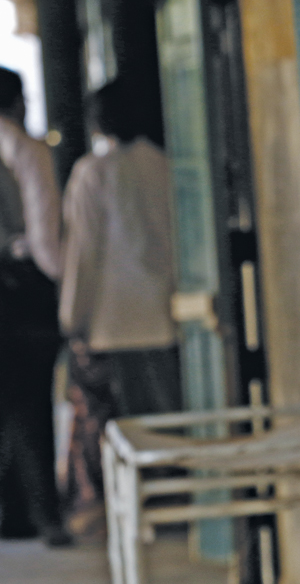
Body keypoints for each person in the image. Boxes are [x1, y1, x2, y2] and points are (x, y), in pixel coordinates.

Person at [59, 78, 180, 531]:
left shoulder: (92, 172)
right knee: (163, 417)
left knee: (119, 425)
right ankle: (171, 505)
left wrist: (72, 316)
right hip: (163, 316)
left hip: (112, 322)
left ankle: (130, 513)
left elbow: (83, 253)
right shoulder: (164, 165)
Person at [0, 66, 71, 546]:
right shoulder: (23, 148)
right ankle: (44, 515)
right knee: (29, 403)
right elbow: (45, 236)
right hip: (18, 289)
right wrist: (61, 280)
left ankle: (14, 514)